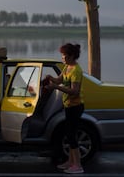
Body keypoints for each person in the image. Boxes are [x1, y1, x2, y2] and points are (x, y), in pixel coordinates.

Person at [46, 43, 84, 174]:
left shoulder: (76, 71)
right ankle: (70, 162)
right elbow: (58, 80)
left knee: (72, 136)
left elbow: (74, 91)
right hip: (68, 106)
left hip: (76, 106)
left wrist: (56, 87)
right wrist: (50, 78)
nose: (63, 58)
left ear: (72, 56)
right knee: (69, 134)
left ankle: (77, 165)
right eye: (62, 56)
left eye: (64, 56)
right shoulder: (67, 67)